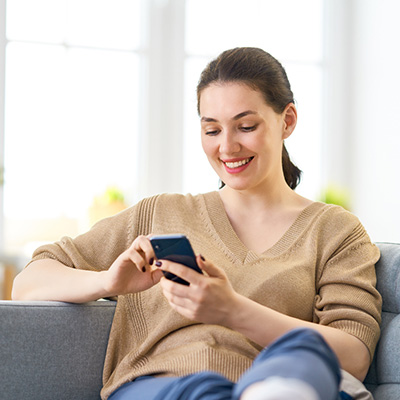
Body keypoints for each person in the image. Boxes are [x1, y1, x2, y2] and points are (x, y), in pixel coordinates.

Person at [12, 47, 381, 400]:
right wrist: (107, 280)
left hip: (271, 382)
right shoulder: (159, 214)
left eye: (246, 126)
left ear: (287, 121)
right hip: (165, 387)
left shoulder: (336, 231)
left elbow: (355, 355)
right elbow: (28, 283)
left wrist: (232, 310)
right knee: (204, 390)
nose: (228, 147)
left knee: (303, 352)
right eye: (212, 130)